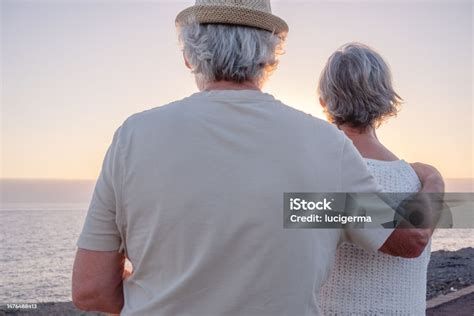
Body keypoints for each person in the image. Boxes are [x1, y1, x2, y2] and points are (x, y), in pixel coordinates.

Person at [72, 1, 443, 315]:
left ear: (188, 55)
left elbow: (92, 291)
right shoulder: (325, 144)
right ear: (271, 55)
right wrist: (432, 180)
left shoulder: (133, 137)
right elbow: (409, 240)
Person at [318, 43, 435, 315]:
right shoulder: (419, 182)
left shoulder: (318, 175)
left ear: (324, 100)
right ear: (386, 100)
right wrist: (435, 179)